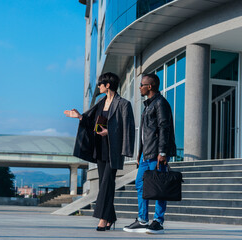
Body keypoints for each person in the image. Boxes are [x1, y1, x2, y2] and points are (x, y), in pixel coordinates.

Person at [64, 72, 135, 231]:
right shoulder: (101, 103)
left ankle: (103, 219)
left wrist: (109, 132)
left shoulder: (123, 104)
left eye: (100, 84)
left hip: (113, 150)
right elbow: (91, 122)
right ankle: (111, 217)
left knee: (106, 184)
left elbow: (127, 129)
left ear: (108, 85)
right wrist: (79, 117)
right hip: (100, 149)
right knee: (106, 184)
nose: (98, 86)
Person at [123, 73, 176, 234]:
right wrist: (139, 154)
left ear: (150, 86)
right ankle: (142, 220)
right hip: (146, 155)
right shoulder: (148, 105)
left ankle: (158, 222)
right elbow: (144, 134)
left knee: (160, 187)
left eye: (141, 85)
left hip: (157, 154)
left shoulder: (160, 103)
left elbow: (164, 128)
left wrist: (162, 152)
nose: (139, 87)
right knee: (140, 185)